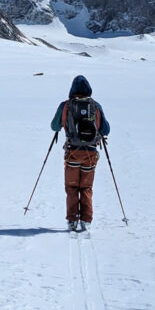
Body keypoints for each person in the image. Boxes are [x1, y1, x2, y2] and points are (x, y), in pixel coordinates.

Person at [50, 75, 110, 231]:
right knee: (86, 187)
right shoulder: (95, 106)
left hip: (72, 153)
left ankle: (72, 220)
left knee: (72, 188)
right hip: (90, 154)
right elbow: (105, 129)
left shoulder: (66, 105)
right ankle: (86, 220)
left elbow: (54, 126)